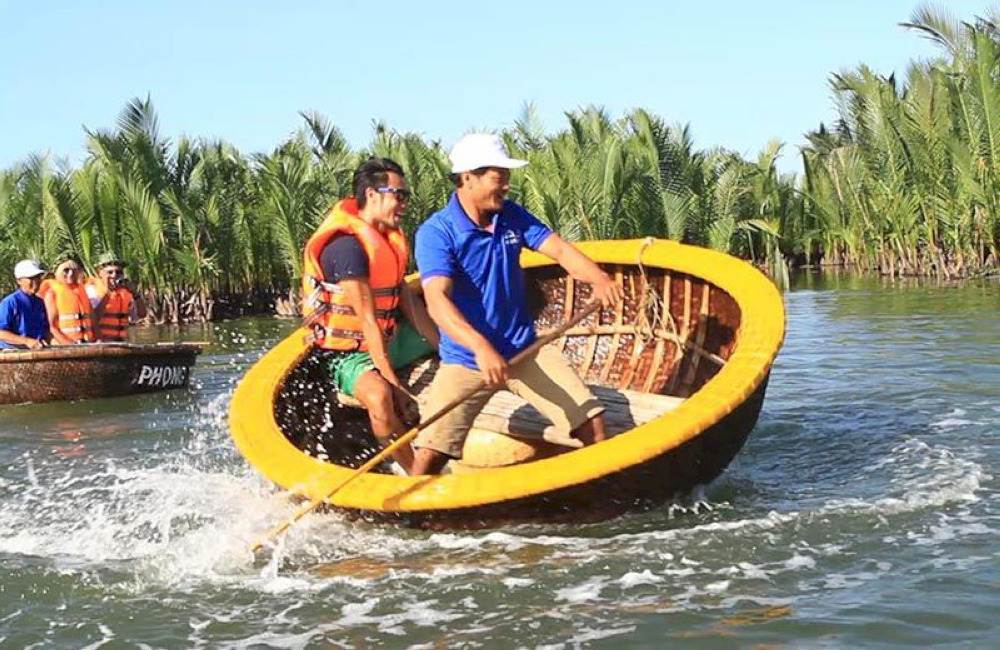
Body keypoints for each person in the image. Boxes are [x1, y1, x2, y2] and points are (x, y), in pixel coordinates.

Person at [411, 133, 625, 475]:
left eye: (507, 178)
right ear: (468, 177)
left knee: (593, 425)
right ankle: (412, 516)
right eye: (499, 177)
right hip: (467, 360)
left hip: (524, 351)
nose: (507, 186)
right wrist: (480, 348)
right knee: (429, 456)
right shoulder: (437, 232)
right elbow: (437, 300)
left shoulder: (511, 216)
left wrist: (599, 279)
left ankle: (602, 502)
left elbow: (560, 251)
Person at [301, 157, 439, 474]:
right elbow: (367, 322)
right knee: (379, 399)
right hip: (347, 353)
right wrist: (393, 385)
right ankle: (409, 470)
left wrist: (446, 346)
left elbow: (407, 300)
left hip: (388, 338)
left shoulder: (387, 241)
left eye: (406, 196)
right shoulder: (346, 248)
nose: (404, 204)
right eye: (398, 195)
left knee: (457, 335)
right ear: (373, 195)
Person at [85, 252, 147, 341]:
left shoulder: (125, 293)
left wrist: (135, 293)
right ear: (100, 273)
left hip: (118, 341)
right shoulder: (92, 291)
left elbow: (142, 314)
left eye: (118, 272)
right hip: (97, 342)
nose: (114, 276)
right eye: (110, 272)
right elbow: (94, 318)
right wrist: (108, 293)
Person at [0, 260, 52, 350]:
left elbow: (46, 331)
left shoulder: (39, 302)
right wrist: (27, 341)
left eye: (37, 277)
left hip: (37, 351)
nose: (36, 281)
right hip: (12, 354)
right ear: (19, 281)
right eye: (31, 278)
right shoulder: (10, 302)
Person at [42, 257, 94, 345]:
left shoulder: (82, 291)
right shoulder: (52, 293)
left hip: (87, 343)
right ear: (57, 272)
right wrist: (68, 344)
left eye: (74, 270)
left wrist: (98, 339)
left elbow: (92, 318)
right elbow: (52, 327)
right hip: (65, 345)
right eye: (66, 270)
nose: (70, 274)